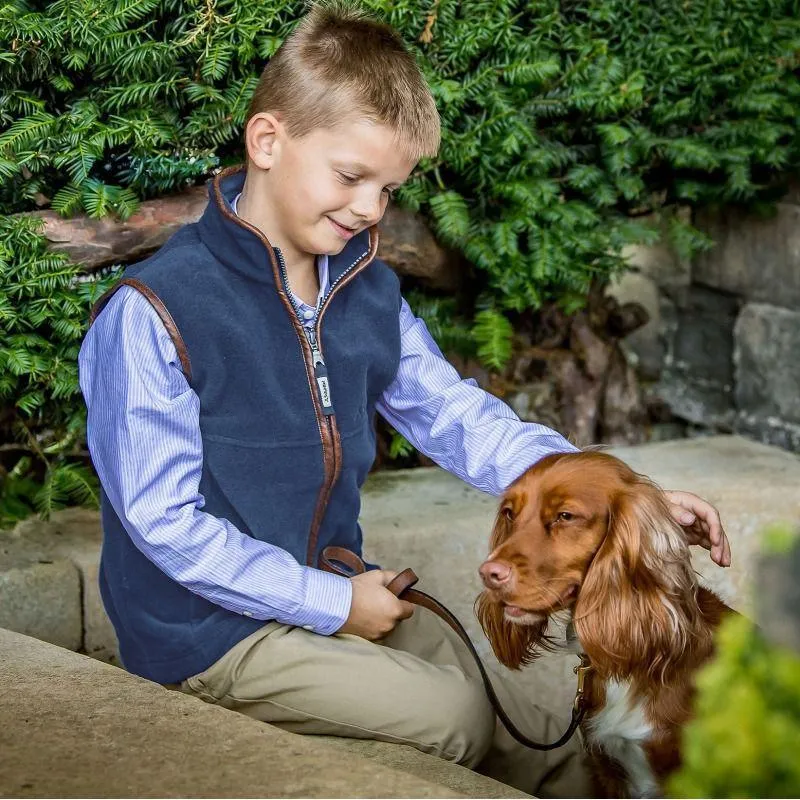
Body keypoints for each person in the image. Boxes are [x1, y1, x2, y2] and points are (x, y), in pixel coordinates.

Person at [78, 2, 731, 796]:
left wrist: (643, 501)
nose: (369, 211)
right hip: (206, 632)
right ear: (268, 141)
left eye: (389, 190)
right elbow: (164, 524)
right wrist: (329, 604)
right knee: (455, 717)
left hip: (335, 579)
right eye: (351, 177)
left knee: (498, 691)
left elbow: (456, 417)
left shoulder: (363, 289)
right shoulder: (155, 310)